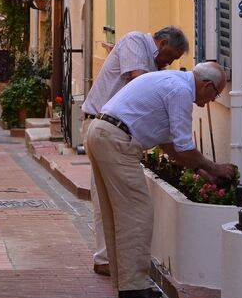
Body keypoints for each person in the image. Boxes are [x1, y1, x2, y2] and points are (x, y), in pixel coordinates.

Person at [85, 61, 236, 298]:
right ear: (207, 85)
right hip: (117, 141)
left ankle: (126, 283)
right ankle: (134, 286)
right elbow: (184, 146)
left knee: (118, 213)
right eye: (215, 94)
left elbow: (169, 145)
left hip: (101, 132)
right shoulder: (181, 92)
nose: (211, 100)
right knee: (137, 214)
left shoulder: (171, 81)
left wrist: (199, 170)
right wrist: (215, 167)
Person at [81, 27, 189, 276]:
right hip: (104, 124)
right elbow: (140, 80)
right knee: (107, 197)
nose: (169, 63)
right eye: (170, 56)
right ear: (161, 43)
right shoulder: (134, 42)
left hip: (115, 131)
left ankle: (109, 258)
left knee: (108, 195)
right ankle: (107, 258)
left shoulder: (154, 63)